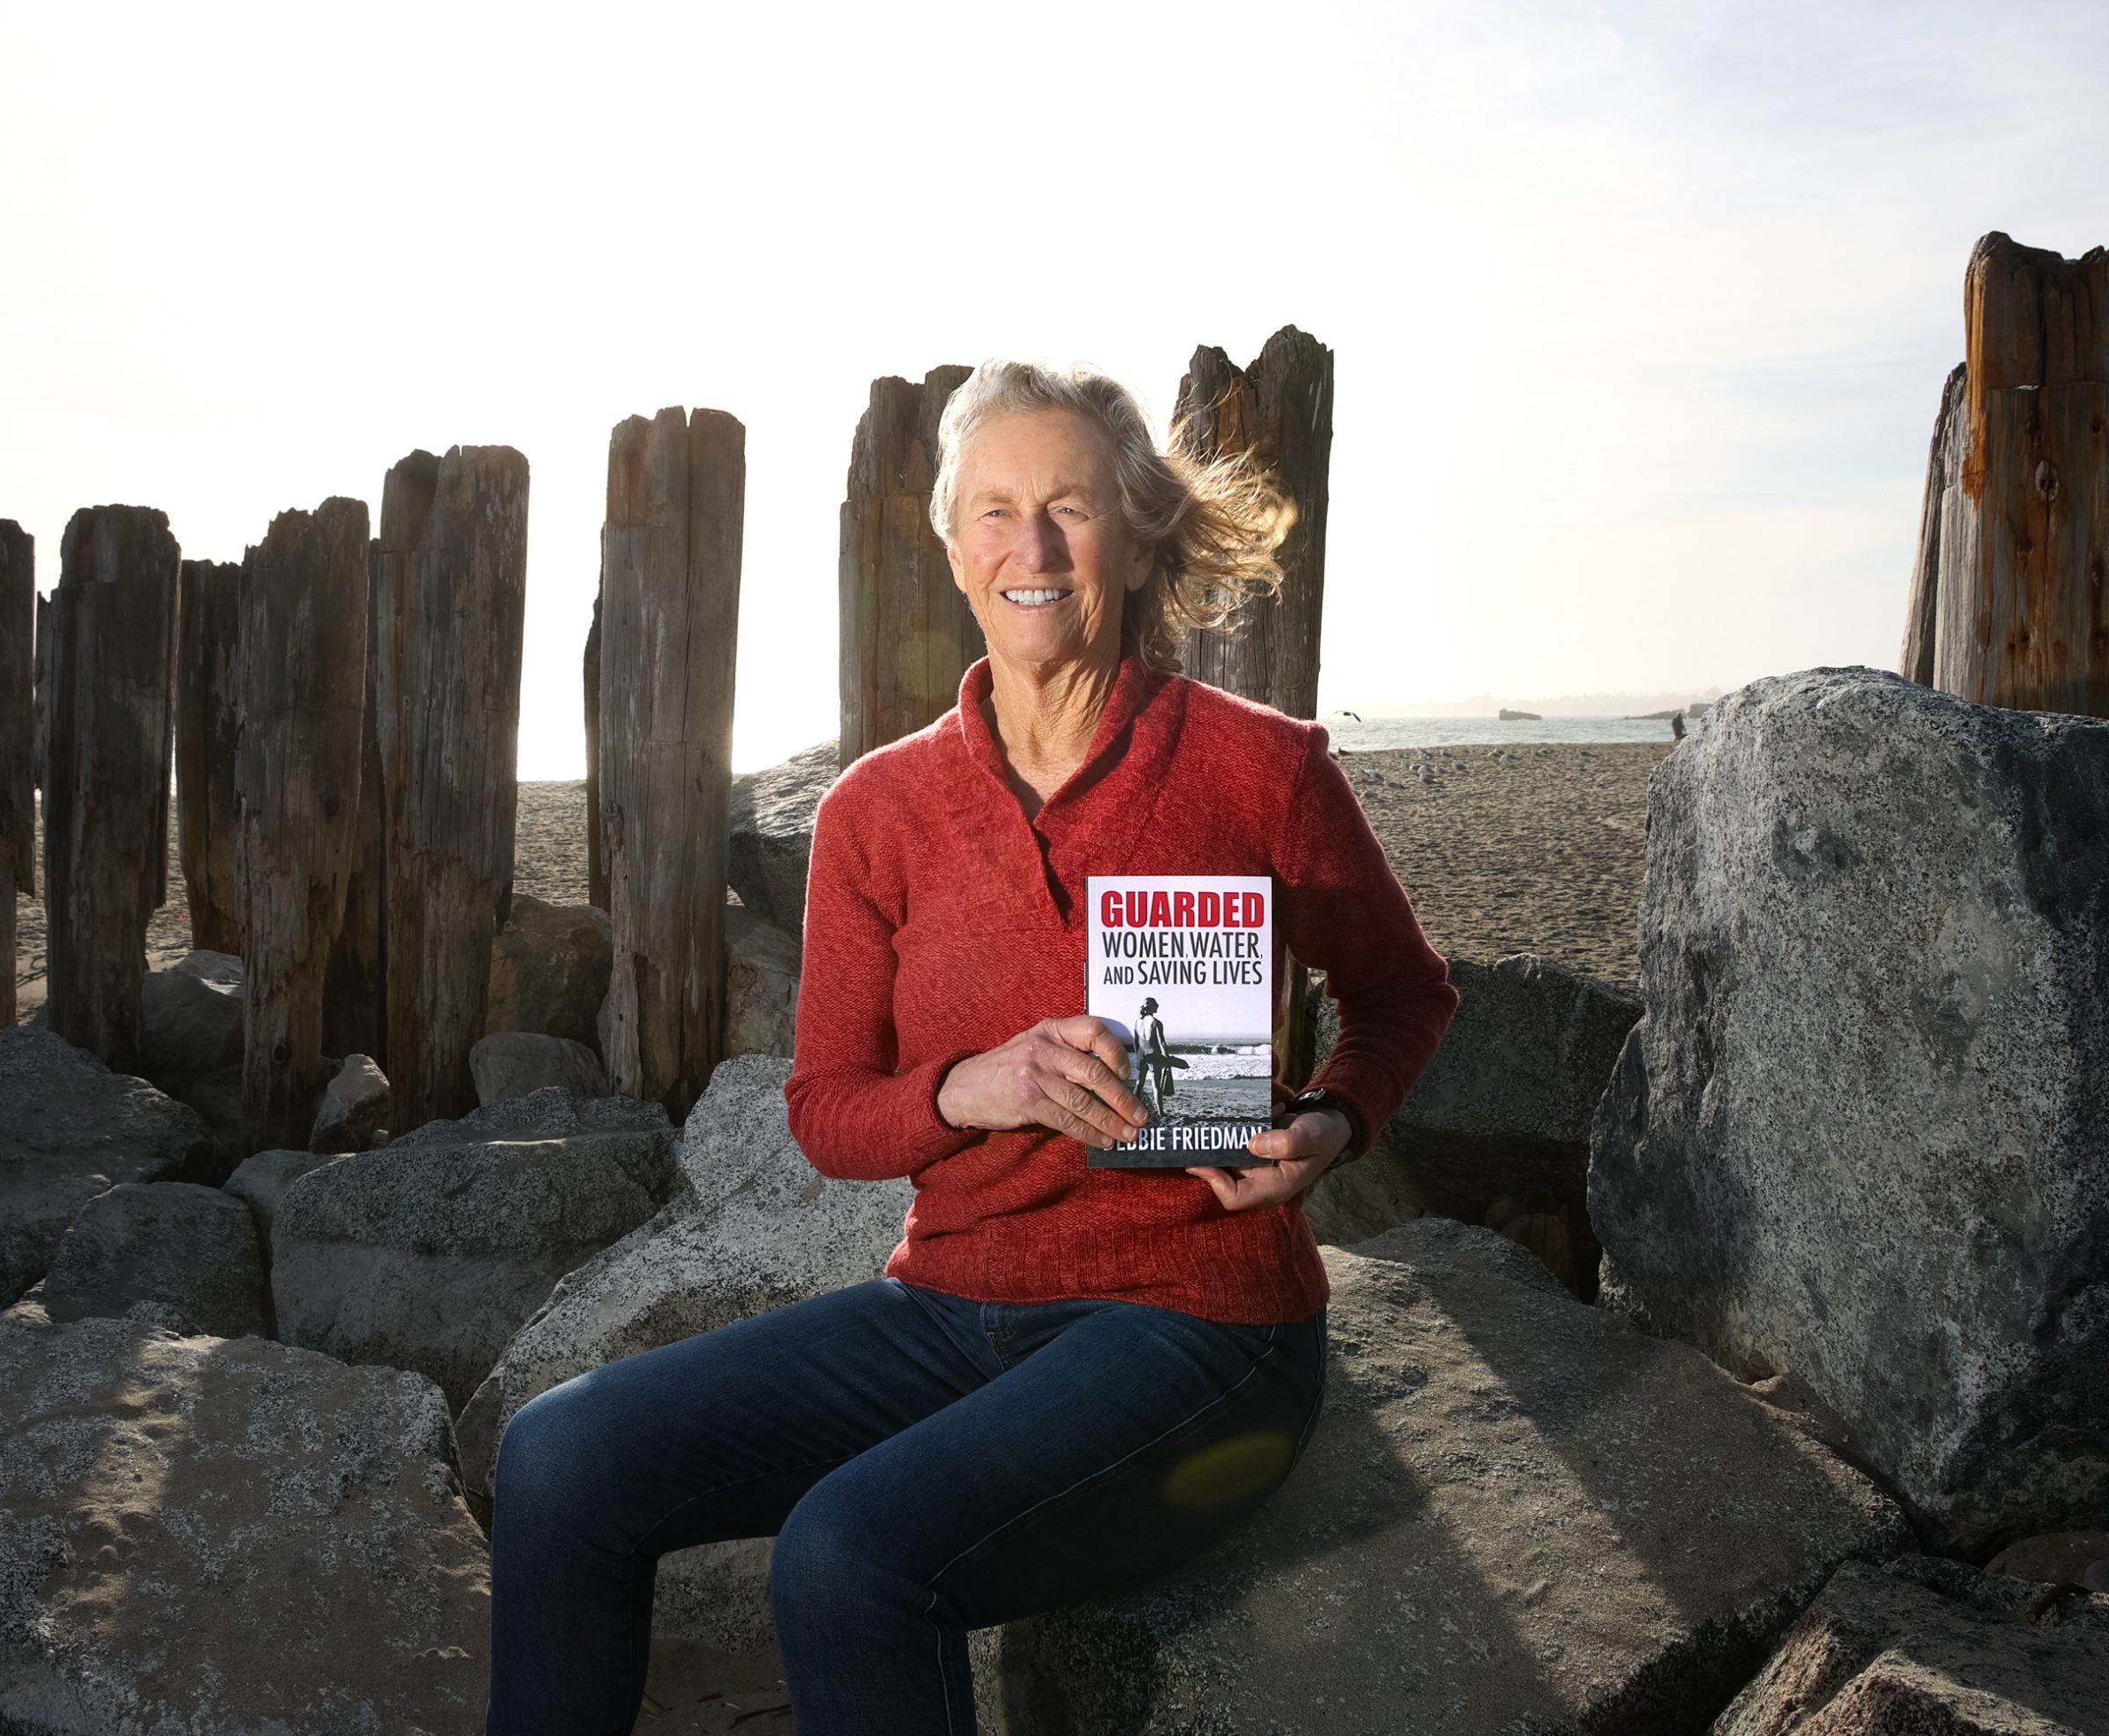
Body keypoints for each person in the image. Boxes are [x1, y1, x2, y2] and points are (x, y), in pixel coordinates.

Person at [485, 360, 1458, 1735]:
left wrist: (1333, 1124)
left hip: (1200, 1323)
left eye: (1070, 505)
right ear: (951, 550)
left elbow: (1406, 995)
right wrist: (972, 1088)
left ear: (1132, 533)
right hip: (949, 1309)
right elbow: (827, 1113)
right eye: (996, 510)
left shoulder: (1263, 769)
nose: (1034, 547)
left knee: (847, 1553)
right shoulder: (878, 811)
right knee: (560, 1453)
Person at [1131, 995, 1171, 1121]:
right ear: (1152, 1007)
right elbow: (1162, 1043)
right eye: (1156, 1005)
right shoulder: (1156, 1023)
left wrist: (1138, 1056)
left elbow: (1136, 1042)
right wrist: (1167, 1058)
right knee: (1156, 1086)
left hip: (1141, 1055)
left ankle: (1132, 1110)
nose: (1158, 1006)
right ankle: (1161, 1112)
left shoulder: (1137, 1022)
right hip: (1154, 1056)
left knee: (1139, 1083)